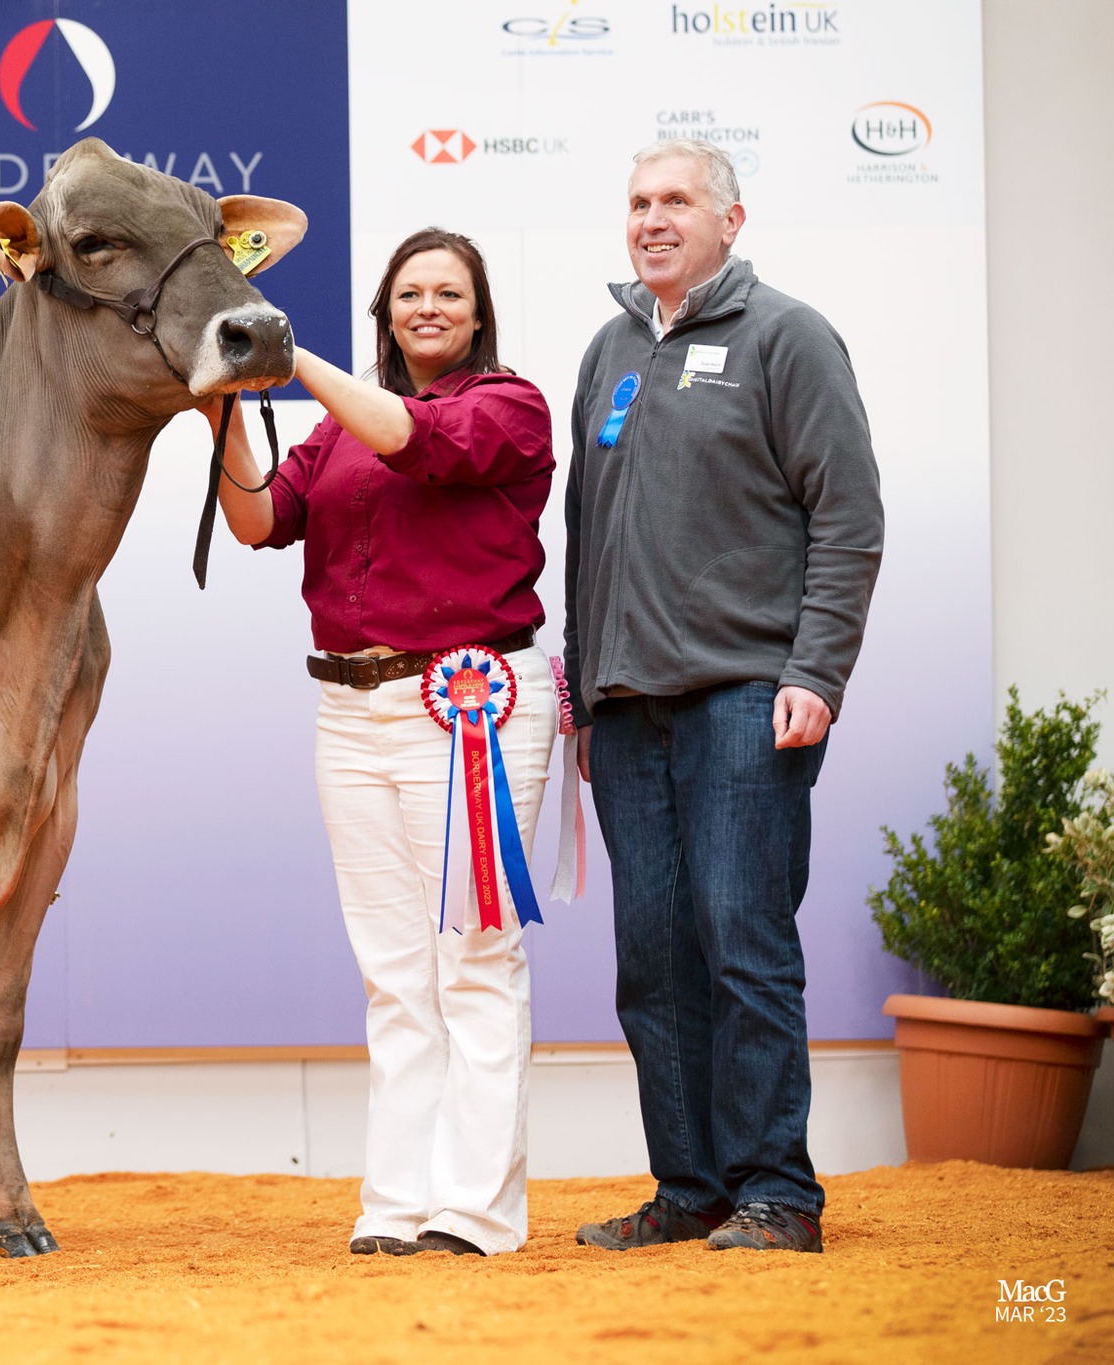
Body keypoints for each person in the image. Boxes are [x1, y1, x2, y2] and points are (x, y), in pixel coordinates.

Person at [563, 140, 883, 1255]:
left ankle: (776, 1195)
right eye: (637, 200)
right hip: (625, 710)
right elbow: (586, 538)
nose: (652, 219)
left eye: (676, 201)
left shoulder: (785, 336)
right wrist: (583, 685)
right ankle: (689, 1186)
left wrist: (814, 673)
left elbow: (846, 517)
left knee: (741, 946)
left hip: (747, 699)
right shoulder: (607, 350)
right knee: (649, 961)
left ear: (729, 220)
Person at [210, 229, 556, 1257]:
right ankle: (399, 1203)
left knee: (473, 961)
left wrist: (281, 355)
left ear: (477, 310)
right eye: (410, 293)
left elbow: (416, 439)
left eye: (448, 292)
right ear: (386, 310)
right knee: (394, 971)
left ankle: (476, 1212)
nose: (428, 308)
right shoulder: (336, 432)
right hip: (349, 709)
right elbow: (258, 518)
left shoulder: (509, 405)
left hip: (471, 706)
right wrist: (224, 411)